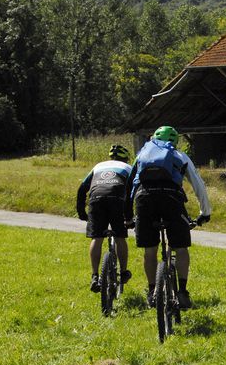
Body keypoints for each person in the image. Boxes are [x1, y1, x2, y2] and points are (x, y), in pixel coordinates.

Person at [126, 125, 211, 309]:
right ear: (175, 141)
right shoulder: (180, 156)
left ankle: (151, 292)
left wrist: (129, 215)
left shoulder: (142, 155)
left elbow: (131, 184)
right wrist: (205, 212)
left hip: (144, 199)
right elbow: (198, 185)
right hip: (171, 199)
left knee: (150, 250)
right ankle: (182, 292)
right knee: (180, 248)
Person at [76, 144, 133, 292]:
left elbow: (82, 188)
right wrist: (130, 217)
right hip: (117, 200)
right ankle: (124, 272)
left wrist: (81, 212)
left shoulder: (98, 166)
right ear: (126, 158)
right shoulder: (128, 167)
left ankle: (95, 275)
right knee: (120, 237)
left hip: (96, 199)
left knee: (97, 238)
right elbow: (133, 191)